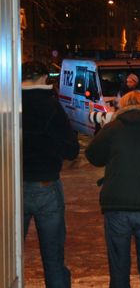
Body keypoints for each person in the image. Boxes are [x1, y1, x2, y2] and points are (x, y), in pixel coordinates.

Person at [85, 90, 140, 288]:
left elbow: (93, 156)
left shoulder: (112, 128)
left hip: (117, 203)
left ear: (122, 105)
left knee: (119, 270)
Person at [22, 60, 80, 287]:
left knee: (9, 253)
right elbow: (70, 150)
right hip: (45, 184)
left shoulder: (8, 102)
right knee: (53, 258)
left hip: (12, 186)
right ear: (44, 78)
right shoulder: (51, 106)